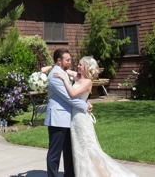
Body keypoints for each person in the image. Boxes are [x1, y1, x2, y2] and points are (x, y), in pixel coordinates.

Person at [53, 56, 139, 177]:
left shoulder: (88, 82)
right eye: (78, 64)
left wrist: (64, 79)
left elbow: (72, 94)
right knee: (77, 148)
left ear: (86, 68)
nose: (77, 66)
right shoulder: (77, 77)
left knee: (87, 147)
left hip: (81, 119)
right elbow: (64, 70)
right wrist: (50, 68)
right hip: (73, 117)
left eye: (80, 65)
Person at [45, 48, 92, 177]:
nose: (70, 62)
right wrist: (85, 105)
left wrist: (86, 101)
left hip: (68, 118)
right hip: (57, 118)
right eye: (68, 60)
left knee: (68, 151)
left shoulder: (62, 72)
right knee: (55, 152)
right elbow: (69, 97)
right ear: (59, 61)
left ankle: (69, 174)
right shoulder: (55, 75)